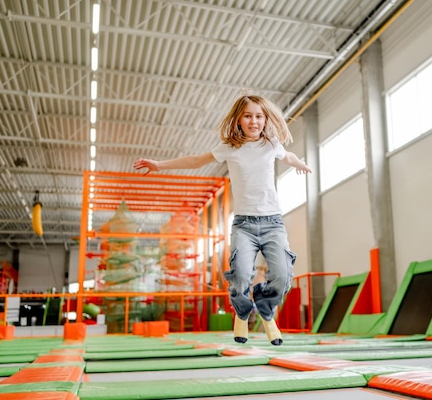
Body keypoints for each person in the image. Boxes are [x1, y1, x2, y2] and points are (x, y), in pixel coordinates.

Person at [133, 94, 311, 345]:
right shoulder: (230, 147)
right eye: (248, 116)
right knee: (239, 276)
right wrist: (160, 165)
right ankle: (241, 312)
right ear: (238, 119)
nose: (254, 121)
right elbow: (196, 161)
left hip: (273, 223)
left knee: (282, 276)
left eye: (259, 116)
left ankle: (266, 310)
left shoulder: (271, 144)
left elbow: (288, 156)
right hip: (244, 226)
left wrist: (299, 163)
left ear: (265, 119)